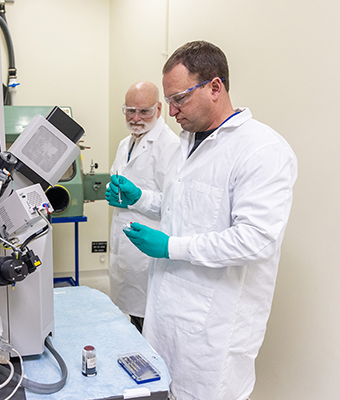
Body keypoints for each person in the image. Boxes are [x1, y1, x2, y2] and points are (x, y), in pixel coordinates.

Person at [106, 41, 297, 400]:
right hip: (167, 311)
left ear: (215, 87)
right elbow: (184, 208)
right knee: (165, 389)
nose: (172, 111)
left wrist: (170, 247)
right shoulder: (187, 141)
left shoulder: (261, 150)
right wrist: (142, 198)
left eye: (179, 99)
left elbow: (256, 239)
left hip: (215, 327)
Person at [107, 81, 179, 333]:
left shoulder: (170, 146)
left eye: (144, 111)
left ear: (159, 109)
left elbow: (172, 205)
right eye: (130, 110)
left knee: (148, 323)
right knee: (130, 317)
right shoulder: (125, 143)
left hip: (147, 250)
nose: (136, 118)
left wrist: (137, 197)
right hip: (124, 245)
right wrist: (115, 194)